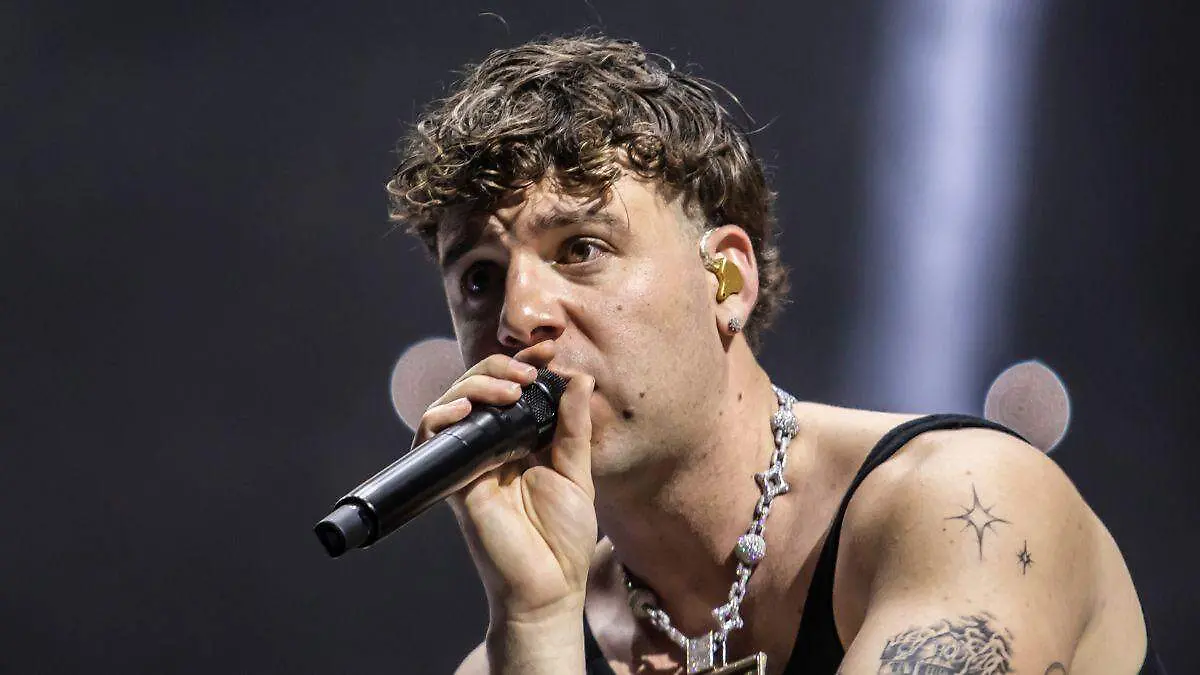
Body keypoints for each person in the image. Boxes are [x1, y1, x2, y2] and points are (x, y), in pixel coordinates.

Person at [385, 34, 1161, 675]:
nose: (518, 316)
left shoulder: (964, 507)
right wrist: (532, 621)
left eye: (581, 247)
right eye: (480, 277)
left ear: (726, 279)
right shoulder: (522, 649)